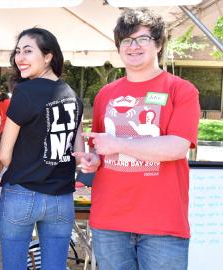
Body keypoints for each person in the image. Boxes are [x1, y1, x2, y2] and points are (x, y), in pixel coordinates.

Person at [85, 8, 200, 270]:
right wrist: (93, 160)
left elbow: (177, 147)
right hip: (109, 221)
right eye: (126, 40)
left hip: (162, 223)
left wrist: (119, 144)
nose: (133, 46)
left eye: (142, 39)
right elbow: (103, 150)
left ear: (158, 44)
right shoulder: (105, 94)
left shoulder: (180, 90)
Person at [0, 28, 99, 270]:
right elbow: (78, 153)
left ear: (48, 56)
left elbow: (4, 153)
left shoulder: (24, 91)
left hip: (22, 192)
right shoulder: (72, 95)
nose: (20, 57)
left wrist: (28, 172)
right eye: (18, 51)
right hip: (61, 198)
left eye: (28, 51)